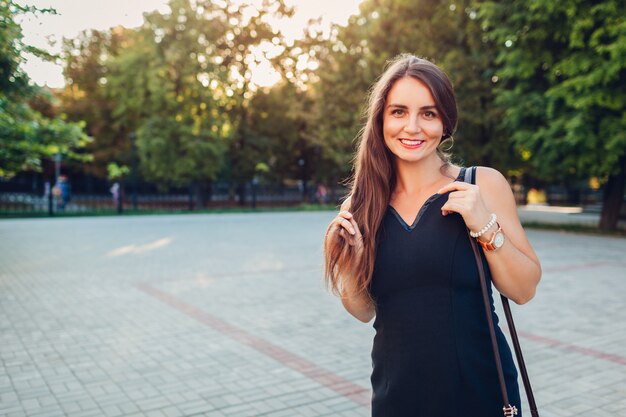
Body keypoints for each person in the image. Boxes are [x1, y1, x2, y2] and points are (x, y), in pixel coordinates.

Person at [323, 54, 541, 417]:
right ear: (381, 119)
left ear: (445, 121)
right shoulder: (363, 203)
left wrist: (484, 223)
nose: (412, 127)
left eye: (428, 113)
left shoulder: (481, 184)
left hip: (481, 395)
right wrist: (352, 264)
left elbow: (524, 289)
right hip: (397, 398)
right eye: (398, 112)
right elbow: (363, 311)